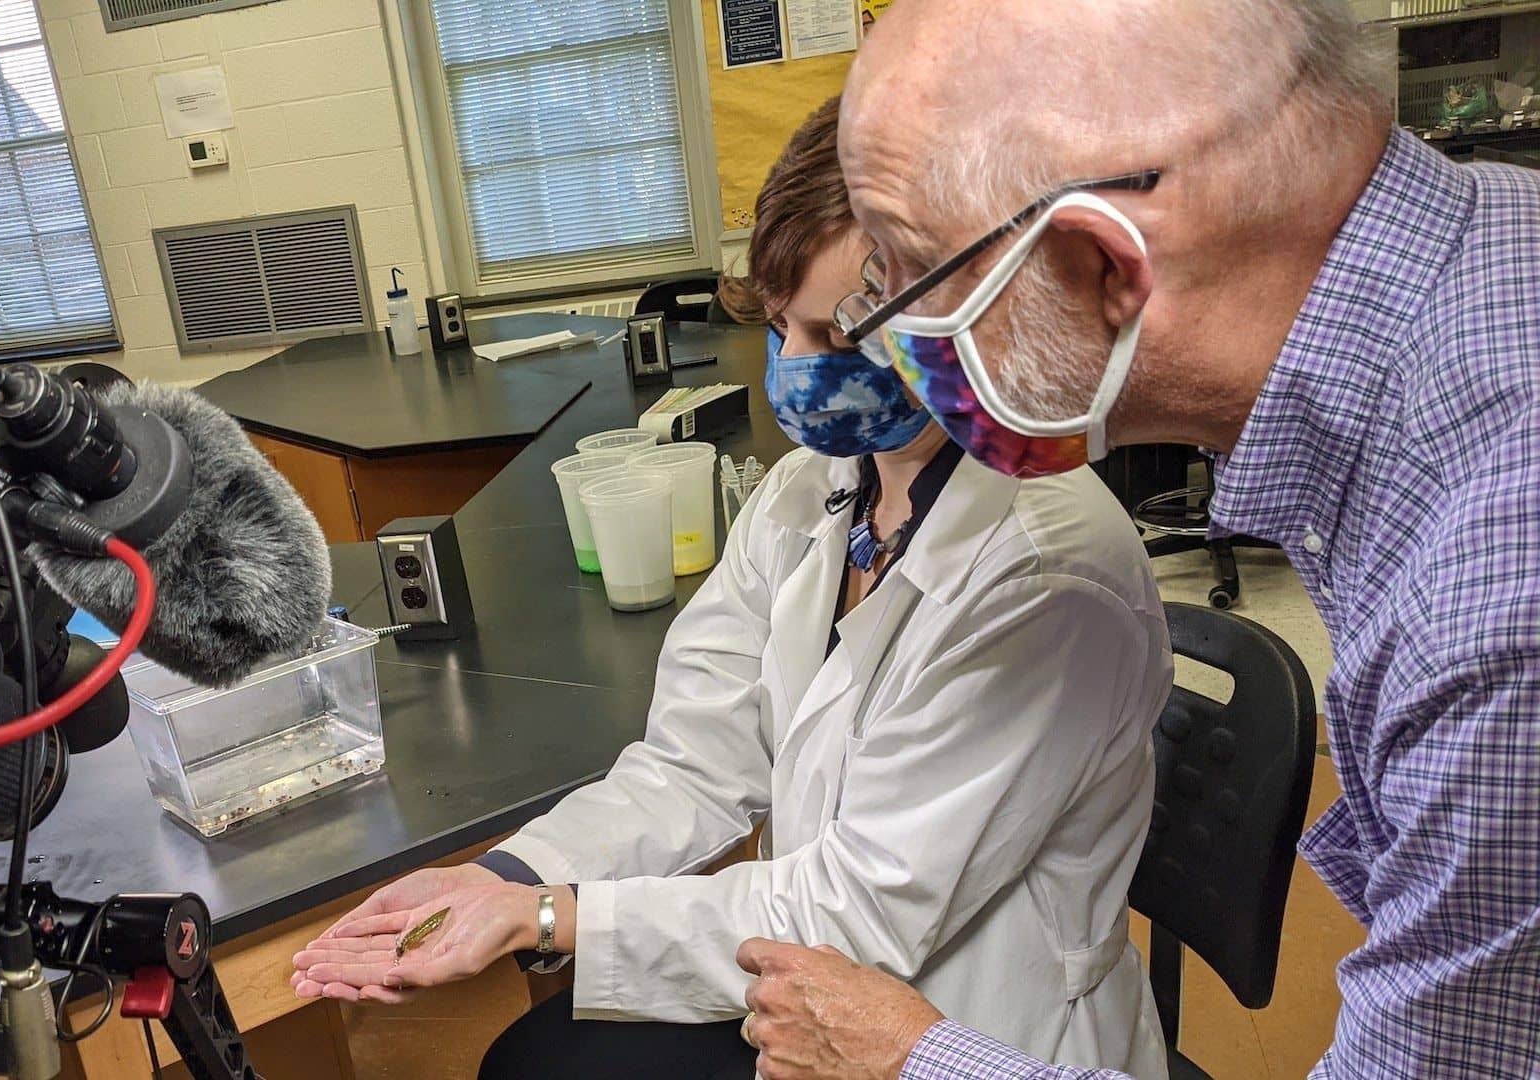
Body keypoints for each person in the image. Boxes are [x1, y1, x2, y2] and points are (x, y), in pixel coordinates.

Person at [289, 98, 1173, 1079]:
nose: (791, 372)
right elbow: (694, 764)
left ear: (960, 319)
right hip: (807, 991)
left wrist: (543, 918)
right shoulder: (816, 491)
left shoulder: (1048, 576)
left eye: (836, 343)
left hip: (963, 1027)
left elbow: (857, 913)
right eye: (779, 328)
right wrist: (507, 877)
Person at [738, 2, 1540, 1078]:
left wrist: (912, 1061)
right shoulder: (1478, 260)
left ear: (1100, 267)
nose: (897, 343)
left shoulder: (1494, 597)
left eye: (906, 285)